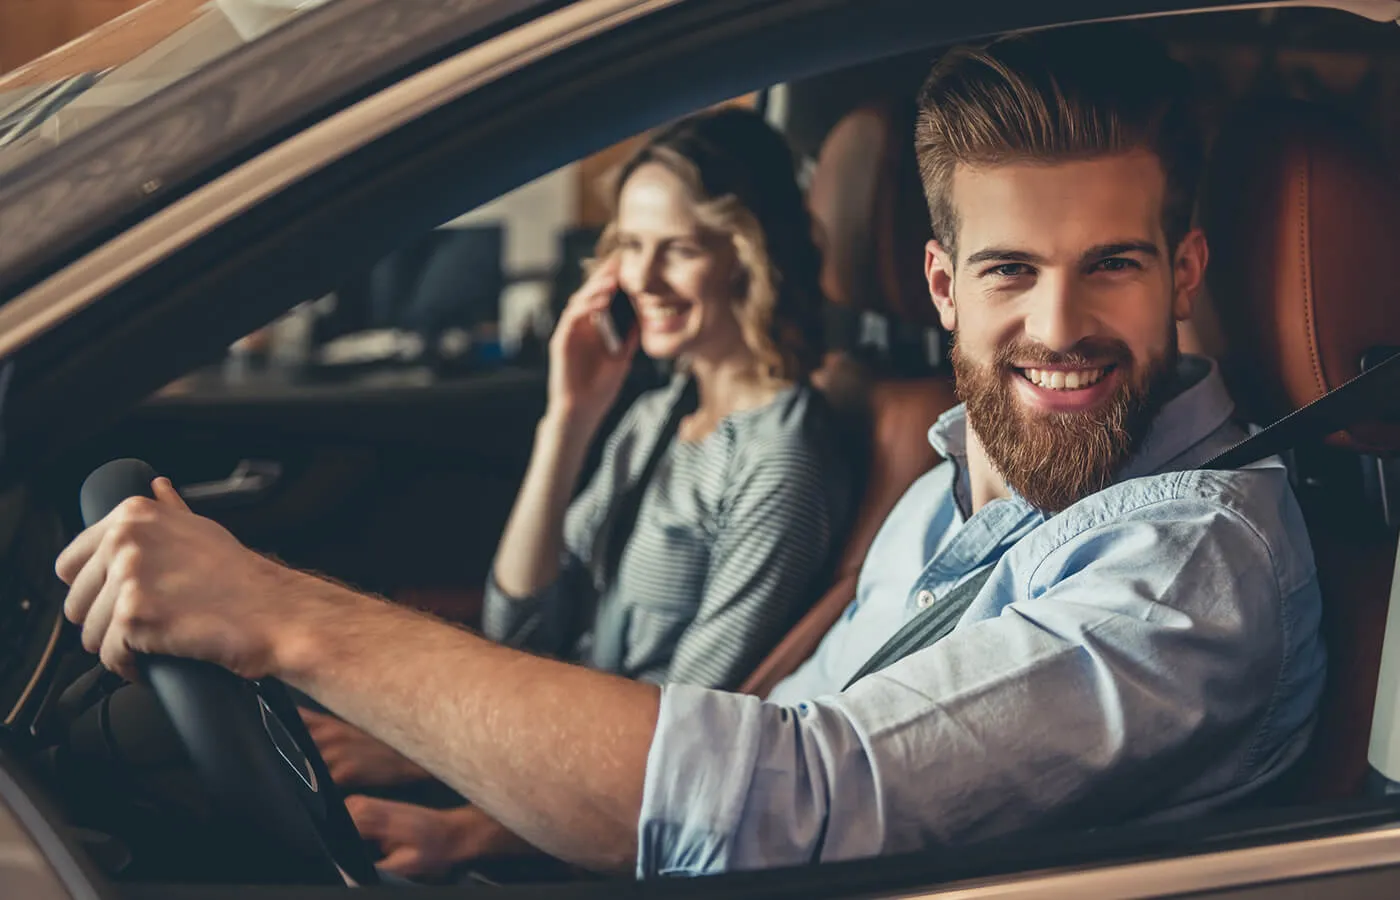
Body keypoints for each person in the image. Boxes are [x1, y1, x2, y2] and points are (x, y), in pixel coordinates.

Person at [59, 26, 1325, 878]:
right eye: (1010, 270)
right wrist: (478, 820)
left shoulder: (1184, 559)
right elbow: (766, 717)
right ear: (941, 283)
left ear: (1183, 275)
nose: (1056, 329)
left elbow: (784, 790)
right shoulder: (952, 489)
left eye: (1111, 264)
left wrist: (285, 619)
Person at [301, 107, 859, 877]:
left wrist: (459, 815)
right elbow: (522, 628)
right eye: (630, 245)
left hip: (599, 827)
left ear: (747, 254)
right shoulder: (662, 411)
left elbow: (673, 745)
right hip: (540, 764)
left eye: (681, 249)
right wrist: (568, 421)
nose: (645, 278)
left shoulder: (782, 458)